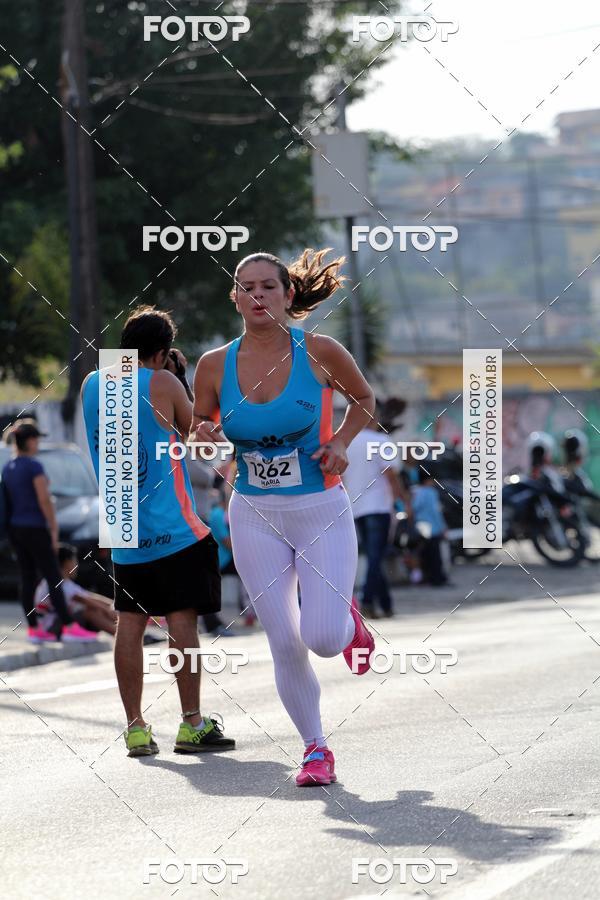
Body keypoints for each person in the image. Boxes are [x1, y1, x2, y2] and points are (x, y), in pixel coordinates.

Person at [192, 247, 376, 787]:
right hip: (252, 512)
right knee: (283, 639)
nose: (256, 295)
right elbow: (202, 430)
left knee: (320, 636)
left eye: (267, 286)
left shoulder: (320, 351)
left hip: (320, 507)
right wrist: (207, 441)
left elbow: (363, 400)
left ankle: (347, 624)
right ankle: (315, 749)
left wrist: (341, 443)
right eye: (245, 287)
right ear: (235, 298)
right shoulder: (212, 365)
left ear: (288, 294)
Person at [81, 305, 236, 758]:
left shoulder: (94, 383)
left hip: (123, 525)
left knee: (129, 623)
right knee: (181, 621)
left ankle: (135, 728)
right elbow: (202, 441)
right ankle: (191, 724)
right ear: (164, 352)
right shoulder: (163, 382)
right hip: (174, 527)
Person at [1, 420, 92, 644]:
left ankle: (34, 630)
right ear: (30, 441)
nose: (38, 443)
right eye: (36, 439)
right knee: (53, 577)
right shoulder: (34, 467)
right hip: (36, 528)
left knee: (27, 578)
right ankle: (69, 626)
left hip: (17, 529)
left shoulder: (9, 467)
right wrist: (53, 529)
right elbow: (44, 499)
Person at [343, 402, 411, 618]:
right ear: (374, 418)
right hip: (378, 506)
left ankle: (386, 604)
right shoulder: (382, 441)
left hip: (354, 507)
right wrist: (405, 501)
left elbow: (341, 477)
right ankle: (368, 601)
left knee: (374, 557)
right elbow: (391, 476)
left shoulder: (347, 442)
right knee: (375, 557)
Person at [35, 544, 116, 638]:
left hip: (57, 623)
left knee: (97, 608)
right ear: (67, 562)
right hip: (50, 627)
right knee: (90, 611)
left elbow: (90, 596)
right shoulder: (55, 583)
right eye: (74, 561)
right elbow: (85, 600)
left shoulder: (65, 582)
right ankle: (121, 634)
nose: (76, 565)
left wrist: (113, 605)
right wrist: (108, 610)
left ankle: (122, 632)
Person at [208, 487, 256, 628]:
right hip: (223, 558)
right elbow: (226, 541)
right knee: (248, 573)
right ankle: (249, 612)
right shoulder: (217, 514)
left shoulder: (223, 513)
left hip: (225, 556)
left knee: (247, 574)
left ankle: (249, 611)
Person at [411, 468, 449, 586]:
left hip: (421, 527)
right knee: (435, 555)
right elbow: (435, 512)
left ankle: (428, 578)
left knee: (425, 554)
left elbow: (414, 508)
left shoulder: (417, 492)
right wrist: (443, 527)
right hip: (433, 528)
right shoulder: (431, 493)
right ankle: (438, 579)